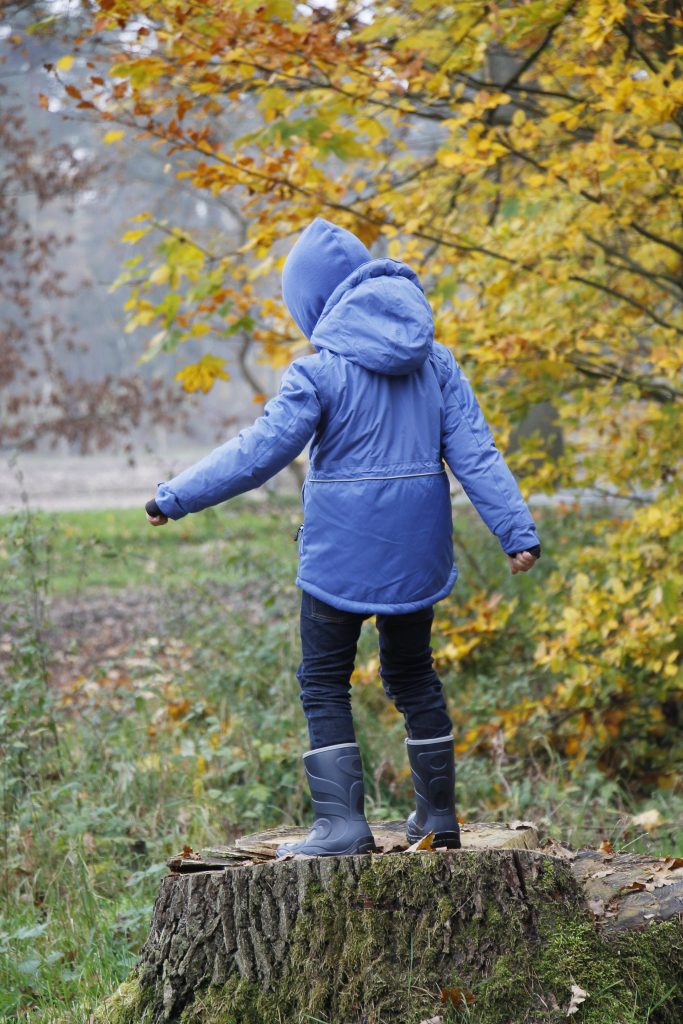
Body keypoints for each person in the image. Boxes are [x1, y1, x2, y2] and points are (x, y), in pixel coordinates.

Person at [145, 217, 541, 858]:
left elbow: (257, 453)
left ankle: (341, 826)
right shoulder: (435, 361)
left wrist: (174, 495)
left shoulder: (319, 372)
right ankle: (438, 818)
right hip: (418, 552)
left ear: (312, 303)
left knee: (324, 679)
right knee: (414, 676)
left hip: (340, 552)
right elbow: (477, 453)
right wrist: (515, 531)